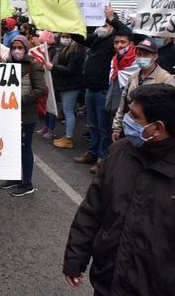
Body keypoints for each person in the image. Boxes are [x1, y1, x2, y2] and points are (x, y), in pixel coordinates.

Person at [63, 83, 175, 296]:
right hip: (107, 280)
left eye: (134, 116)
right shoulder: (120, 151)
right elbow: (92, 208)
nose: (126, 119)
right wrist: (75, 257)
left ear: (158, 128)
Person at [72, 7, 126, 172]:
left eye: (106, 24)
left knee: (104, 128)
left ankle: (103, 158)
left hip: (104, 91)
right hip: (90, 89)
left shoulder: (114, 42)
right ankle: (92, 153)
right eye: (102, 24)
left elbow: (125, 31)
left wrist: (112, 19)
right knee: (93, 125)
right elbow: (77, 36)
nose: (104, 26)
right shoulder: (97, 39)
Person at [0, 35, 46, 197]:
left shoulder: (34, 66)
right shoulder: (7, 63)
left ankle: (27, 183)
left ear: (26, 48)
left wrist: (18, 101)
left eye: (20, 47)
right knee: (13, 147)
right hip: (8, 114)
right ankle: (15, 178)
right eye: (14, 47)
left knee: (25, 146)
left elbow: (40, 90)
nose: (17, 50)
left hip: (26, 114)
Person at [111, 37, 175, 145]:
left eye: (146, 55)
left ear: (155, 57)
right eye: (139, 54)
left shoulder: (165, 79)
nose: (141, 57)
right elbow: (123, 104)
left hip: (151, 134)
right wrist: (117, 127)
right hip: (131, 130)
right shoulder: (133, 77)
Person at [45, 33, 86, 150]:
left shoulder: (77, 50)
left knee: (68, 112)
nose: (64, 38)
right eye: (63, 36)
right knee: (68, 111)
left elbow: (71, 69)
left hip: (71, 85)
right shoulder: (68, 48)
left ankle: (69, 138)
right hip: (66, 84)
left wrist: (54, 67)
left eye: (67, 36)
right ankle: (67, 136)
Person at [36, 30, 58, 140]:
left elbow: (53, 65)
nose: (41, 45)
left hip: (52, 81)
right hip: (44, 79)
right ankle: (46, 126)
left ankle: (51, 129)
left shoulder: (55, 52)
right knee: (46, 104)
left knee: (51, 105)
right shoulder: (43, 52)